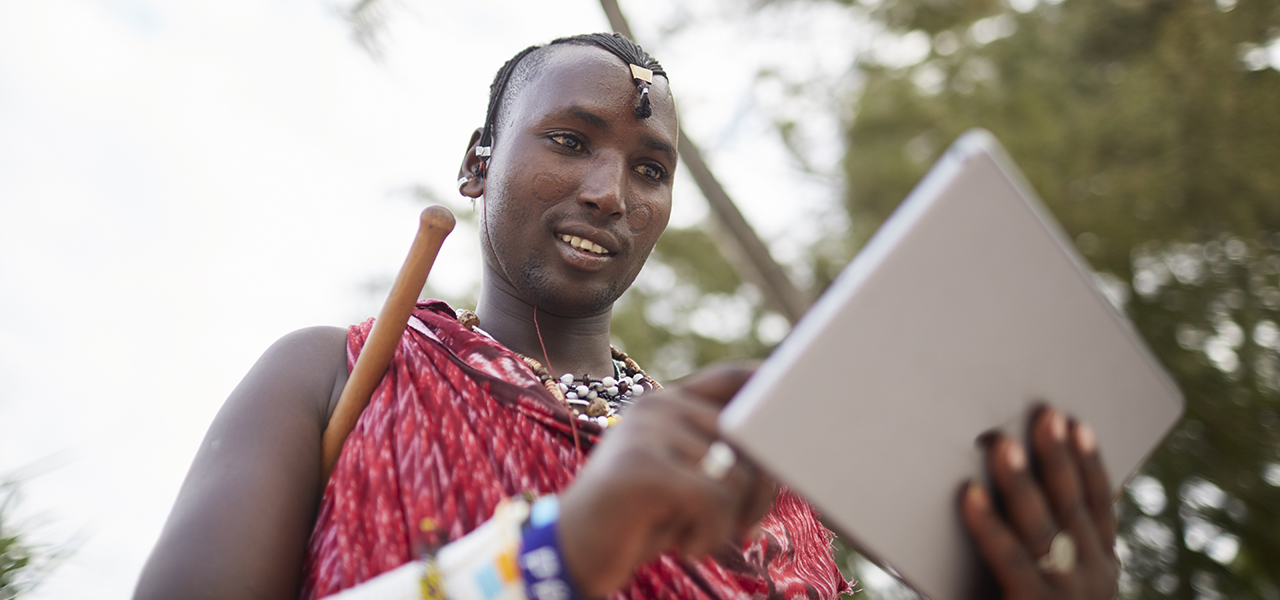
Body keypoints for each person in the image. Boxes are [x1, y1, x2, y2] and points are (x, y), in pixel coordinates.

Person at [133, 33, 1120, 600]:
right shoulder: (335, 378)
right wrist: (554, 554)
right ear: (477, 164)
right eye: (569, 140)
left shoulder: (750, 465)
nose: (612, 193)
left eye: (649, 170)